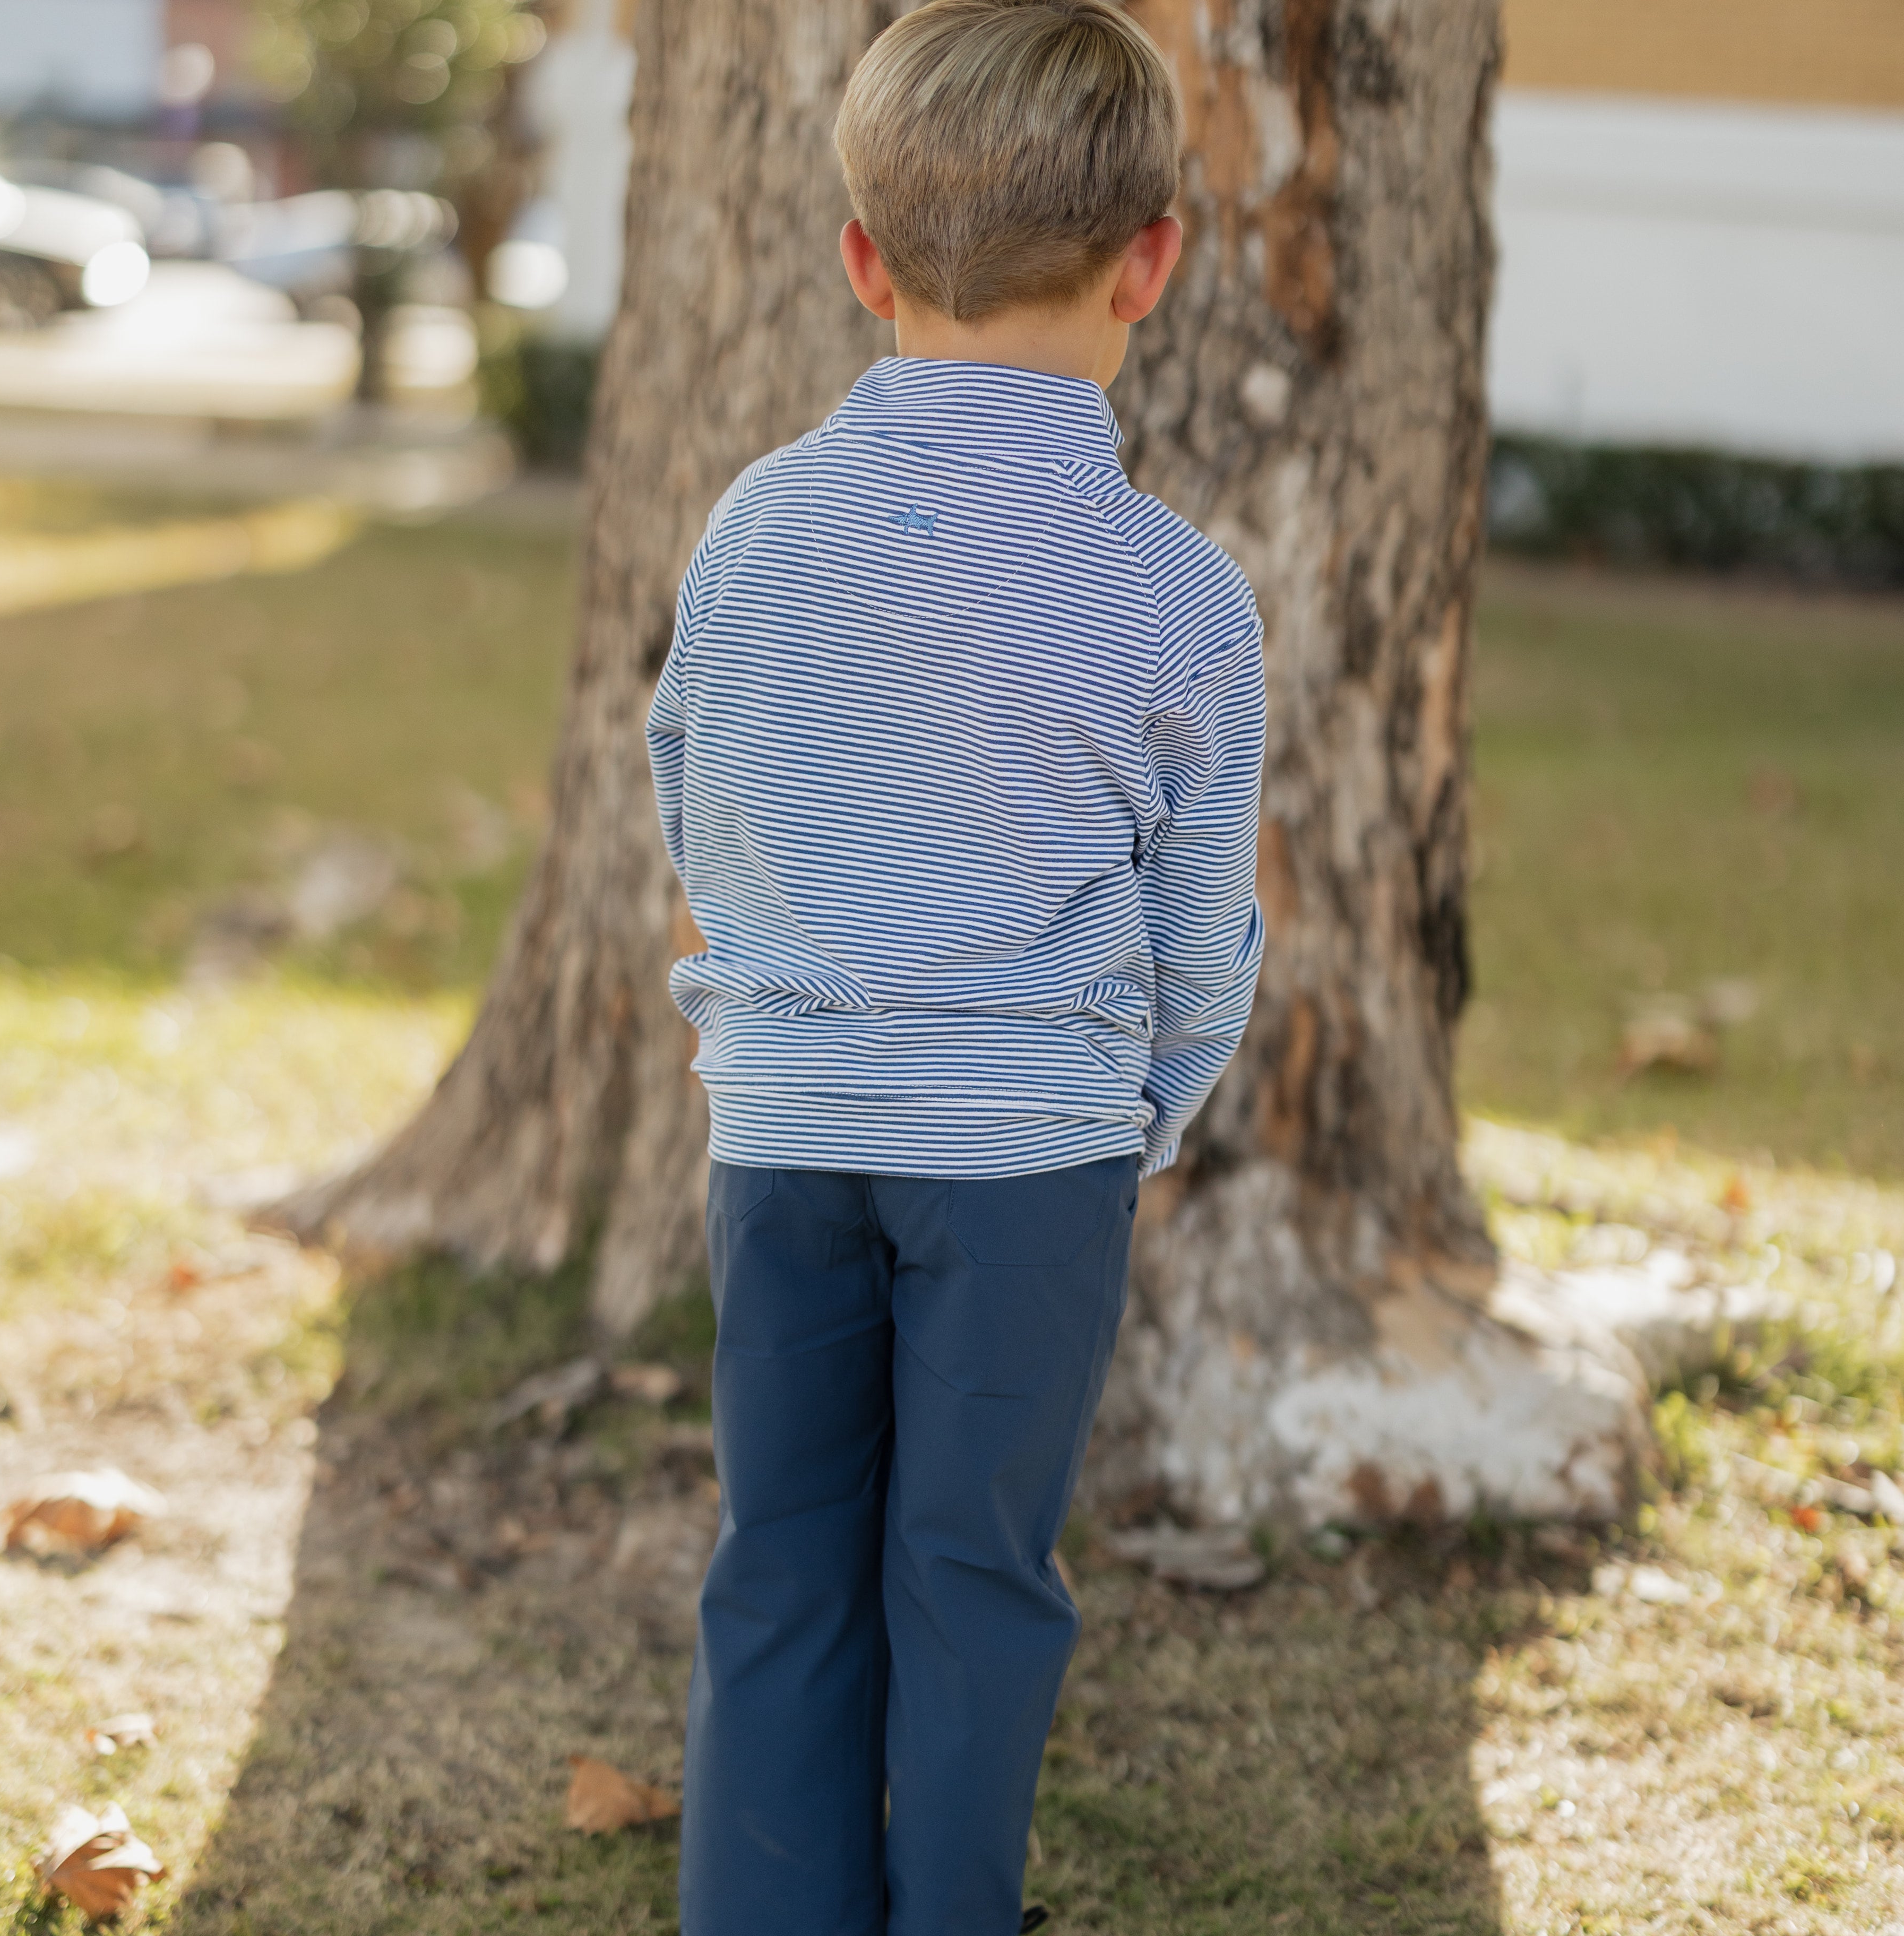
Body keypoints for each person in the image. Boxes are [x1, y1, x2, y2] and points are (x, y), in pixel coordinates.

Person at [644, 3, 1266, 1929]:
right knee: (975, 1576)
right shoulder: (1176, 590)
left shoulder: (756, 530)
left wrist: (781, 997)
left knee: (783, 1561)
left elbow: (695, 788)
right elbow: (1202, 929)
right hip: (1031, 1173)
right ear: (1151, 261)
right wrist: (1133, 1115)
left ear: (862, 263)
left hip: (787, 1139)